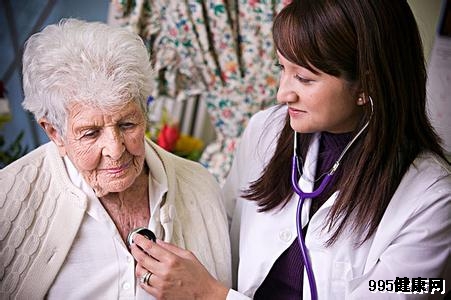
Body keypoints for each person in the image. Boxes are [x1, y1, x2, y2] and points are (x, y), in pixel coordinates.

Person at [127, 0, 451, 299]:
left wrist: (211, 295)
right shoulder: (264, 131)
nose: (283, 94)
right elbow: (219, 233)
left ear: (366, 85)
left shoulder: (432, 197)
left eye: (305, 79)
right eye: (282, 68)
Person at [0, 18, 231, 299]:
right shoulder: (8, 200)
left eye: (127, 125)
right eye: (90, 133)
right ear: (54, 132)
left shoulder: (198, 185)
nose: (116, 149)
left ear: (144, 115)